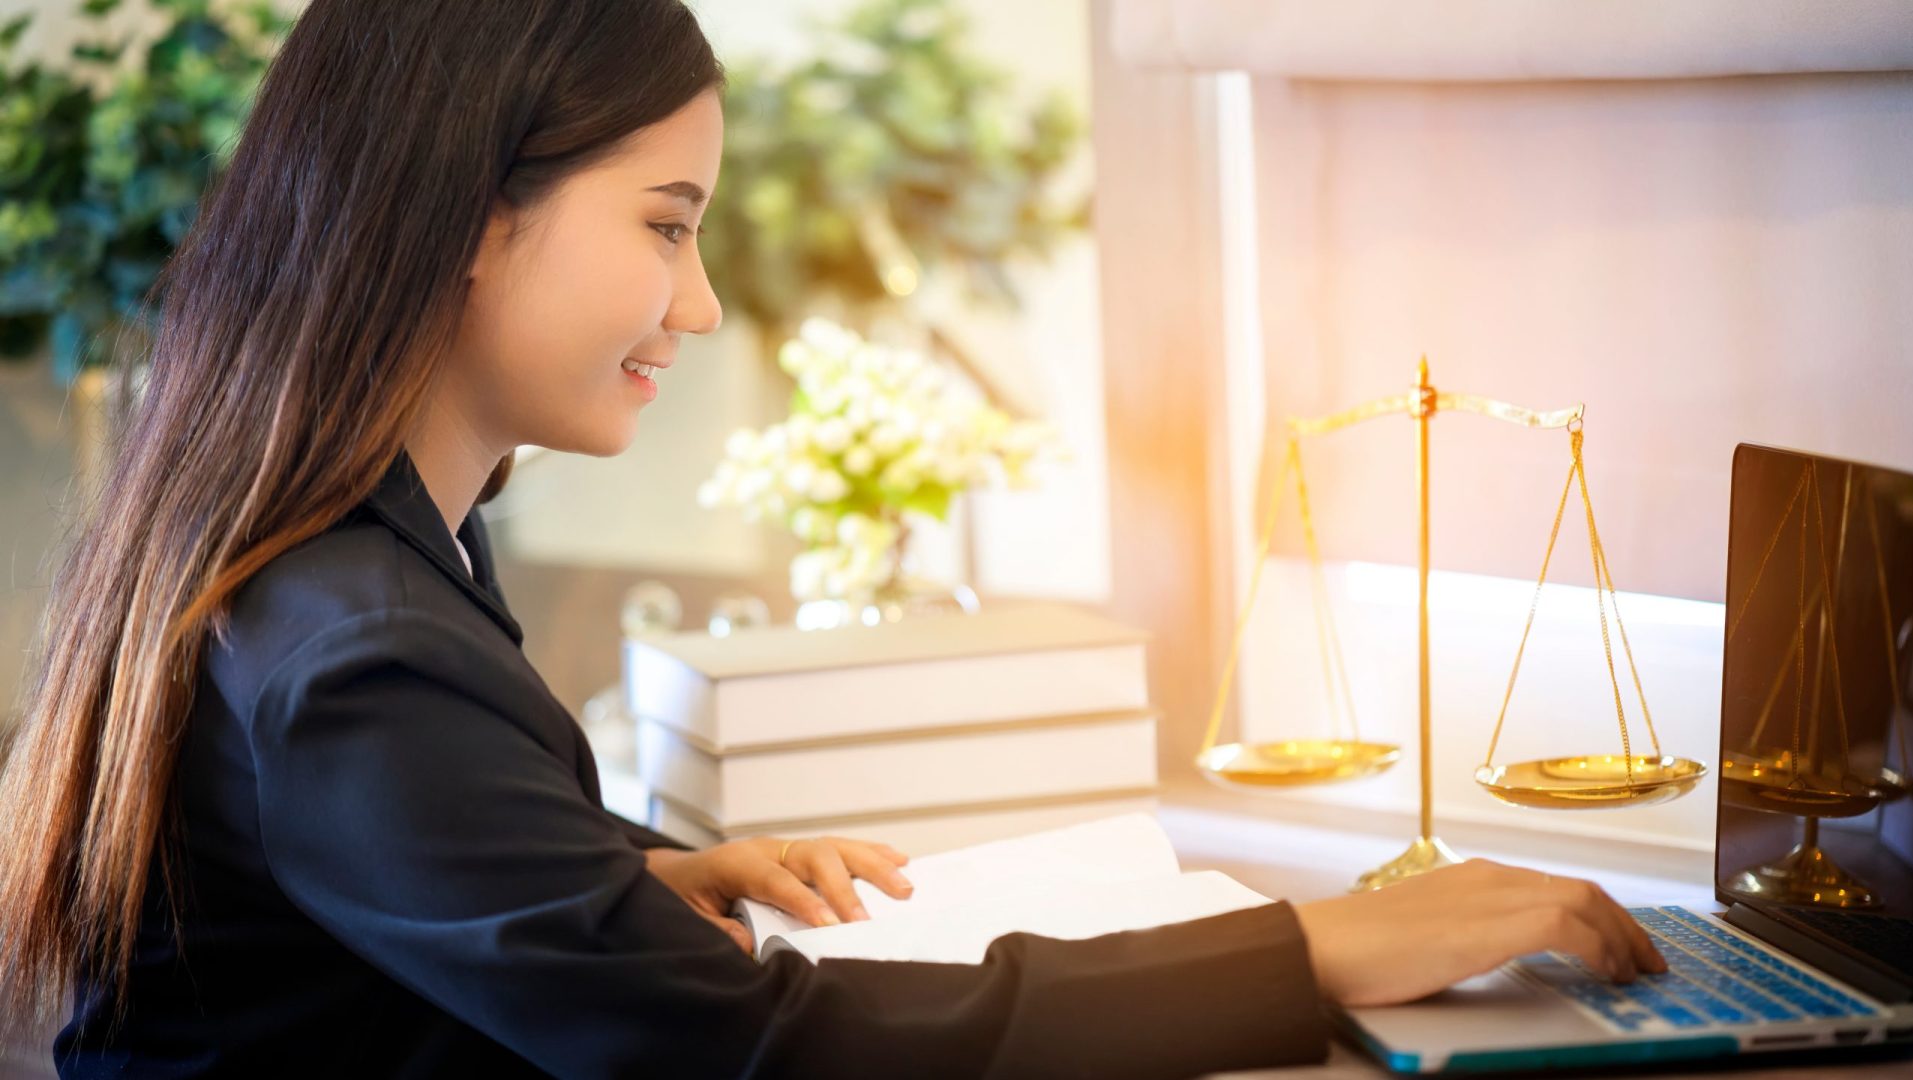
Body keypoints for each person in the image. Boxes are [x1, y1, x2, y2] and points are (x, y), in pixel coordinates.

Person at [0, 2, 1666, 1076]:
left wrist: (623, 876)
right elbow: (745, 1053)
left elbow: (347, 917)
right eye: (665, 227)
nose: (702, 305)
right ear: (460, 222)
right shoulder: (352, 647)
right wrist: (1305, 947)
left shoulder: (366, 557)